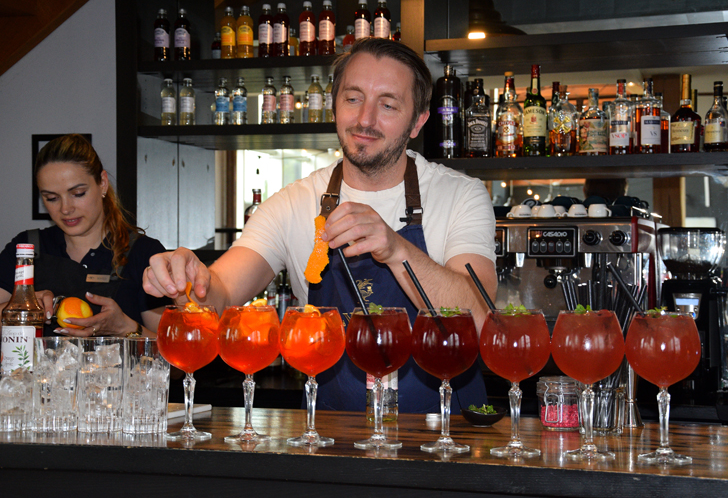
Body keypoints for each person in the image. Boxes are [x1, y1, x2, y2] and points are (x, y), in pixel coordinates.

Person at [144, 38, 498, 413]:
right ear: (334, 105)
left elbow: (480, 319)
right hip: (330, 435)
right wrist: (189, 281)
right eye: (353, 98)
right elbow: (221, 292)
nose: (365, 119)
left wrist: (397, 249)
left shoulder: (461, 195)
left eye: (388, 105)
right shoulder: (292, 203)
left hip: (444, 433)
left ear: (418, 122)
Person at [0, 134, 171, 338]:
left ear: (103, 183)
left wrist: (126, 328)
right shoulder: (26, 248)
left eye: (78, 193)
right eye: (52, 198)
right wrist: (21, 307)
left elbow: (170, 347)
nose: (65, 208)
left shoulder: (144, 254)